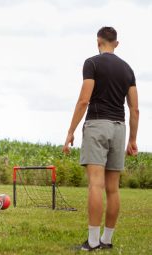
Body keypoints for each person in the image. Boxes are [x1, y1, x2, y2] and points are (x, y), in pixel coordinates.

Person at [63, 27, 139, 251]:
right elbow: (134, 109)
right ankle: (107, 239)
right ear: (116, 43)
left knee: (95, 185)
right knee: (113, 188)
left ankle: (93, 242)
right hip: (119, 128)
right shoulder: (128, 69)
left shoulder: (92, 63)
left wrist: (70, 131)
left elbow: (84, 100)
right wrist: (132, 139)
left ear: (98, 42)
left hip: (97, 125)